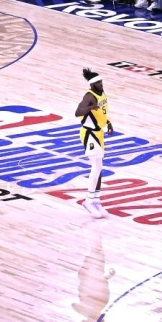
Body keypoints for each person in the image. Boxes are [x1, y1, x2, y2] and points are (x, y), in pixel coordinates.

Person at [74, 68, 113, 216]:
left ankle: (96, 200)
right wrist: (91, 107)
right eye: (97, 82)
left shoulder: (101, 94)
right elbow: (78, 112)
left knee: (100, 167)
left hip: (99, 132)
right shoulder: (89, 97)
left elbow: (101, 113)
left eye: (101, 81)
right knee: (96, 165)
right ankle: (88, 201)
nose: (101, 84)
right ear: (91, 85)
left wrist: (108, 122)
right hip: (89, 133)